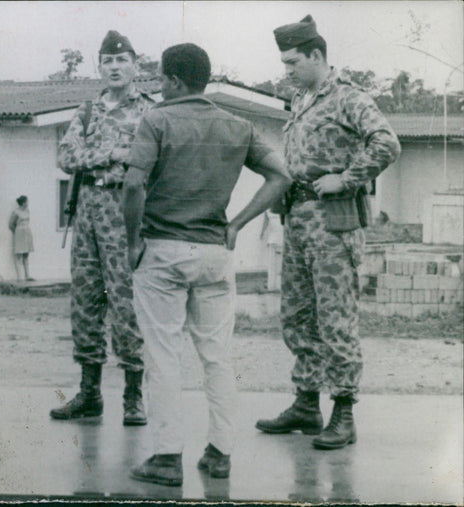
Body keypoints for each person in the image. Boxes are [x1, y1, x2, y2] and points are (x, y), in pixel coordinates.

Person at [123, 43, 291, 486]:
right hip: (215, 252)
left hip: (162, 249)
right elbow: (281, 176)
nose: (159, 86)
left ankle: (166, 457)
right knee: (216, 357)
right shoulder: (237, 124)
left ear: (175, 80)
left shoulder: (156, 119)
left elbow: (133, 184)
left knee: (162, 356)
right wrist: (236, 223)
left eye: (162, 78)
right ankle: (220, 453)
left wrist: (131, 241)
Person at [255, 15, 400, 450]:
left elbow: (387, 143)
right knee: (298, 315)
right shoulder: (301, 99)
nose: (286, 71)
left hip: (334, 221)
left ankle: (343, 412)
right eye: (283, 63)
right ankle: (305, 403)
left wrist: (349, 177)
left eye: (293, 61)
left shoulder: (347, 98)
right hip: (298, 219)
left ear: (317, 55)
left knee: (335, 317)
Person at [51, 30, 155, 426]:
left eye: (122, 60)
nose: (114, 67)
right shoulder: (87, 111)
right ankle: (89, 392)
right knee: (85, 299)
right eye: (107, 62)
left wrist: (96, 158)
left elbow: (147, 160)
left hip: (125, 208)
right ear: (100, 67)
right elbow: (66, 156)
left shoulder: (148, 111)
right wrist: (112, 152)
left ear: (135, 66)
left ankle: (132, 395)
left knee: (126, 301)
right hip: (88, 210)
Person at [8, 195, 34, 281]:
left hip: (27, 232)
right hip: (19, 233)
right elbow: (11, 224)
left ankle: (28, 276)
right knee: (19, 255)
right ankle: (20, 277)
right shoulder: (16, 212)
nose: (28, 203)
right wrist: (17, 232)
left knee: (26, 255)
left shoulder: (27, 211)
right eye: (27, 201)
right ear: (23, 203)